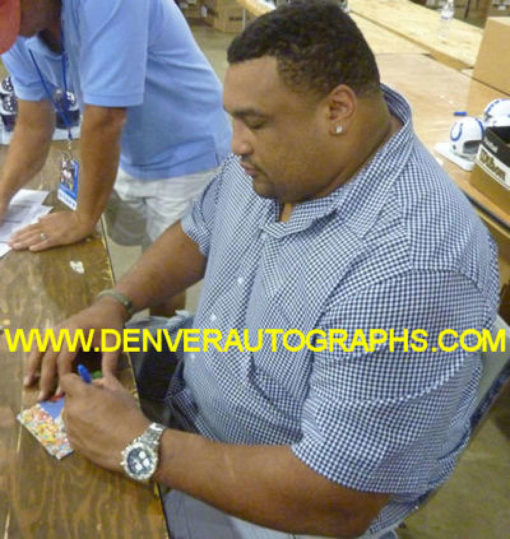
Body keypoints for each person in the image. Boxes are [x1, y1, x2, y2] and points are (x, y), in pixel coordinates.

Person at [24, 2, 499, 537]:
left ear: (337, 110)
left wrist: (141, 445)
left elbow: (335, 498)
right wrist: (116, 303)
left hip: (276, 500)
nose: (236, 145)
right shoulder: (285, 158)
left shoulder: (410, 271)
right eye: (234, 119)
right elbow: (200, 230)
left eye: (253, 123)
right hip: (197, 388)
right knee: (41, 380)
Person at [0, 0, 231, 314]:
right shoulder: (20, 32)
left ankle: (161, 341)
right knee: (138, 253)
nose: (14, 33)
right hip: (124, 149)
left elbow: (107, 119)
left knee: (165, 276)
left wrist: (82, 218)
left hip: (185, 150)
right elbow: (32, 124)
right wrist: (3, 196)